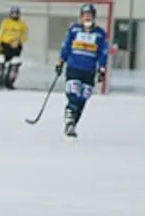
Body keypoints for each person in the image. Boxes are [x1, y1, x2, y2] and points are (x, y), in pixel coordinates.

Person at [55, 3, 108, 139]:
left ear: (94, 16)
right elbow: (66, 46)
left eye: (89, 15)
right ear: (81, 17)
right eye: (84, 15)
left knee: (83, 98)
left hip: (89, 70)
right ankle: (69, 117)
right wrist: (61, 61)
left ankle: (72, 124)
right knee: (73, 93)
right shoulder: (74, 30)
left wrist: (102, 69)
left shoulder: (100, 33)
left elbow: (103, 52)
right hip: (74, 67)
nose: (87, 17)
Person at [0, 6, 28, 90]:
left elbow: (24, 35)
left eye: (16, 13)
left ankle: (10, 82)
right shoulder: (6, 22)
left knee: (14, 64)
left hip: (15, 47)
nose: (14, 15)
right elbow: (1, 32)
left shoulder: (22, 24)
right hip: (4, 45)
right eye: (13, 13)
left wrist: (19, 42)